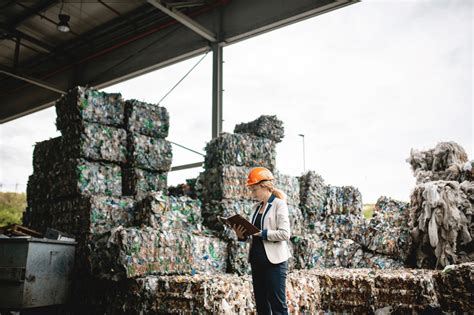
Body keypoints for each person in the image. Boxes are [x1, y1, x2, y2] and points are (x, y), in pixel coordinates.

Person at [232, 167, 291, 315]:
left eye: (254, 189)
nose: (252, 193)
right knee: (261, 305)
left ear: (264, 186)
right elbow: (252, 234)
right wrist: (241, 235)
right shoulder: (255, 207)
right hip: (257, 260)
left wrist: (262, 233)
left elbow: (285, 234)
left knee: (278, 305)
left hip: (274, 262)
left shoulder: (279, 204)